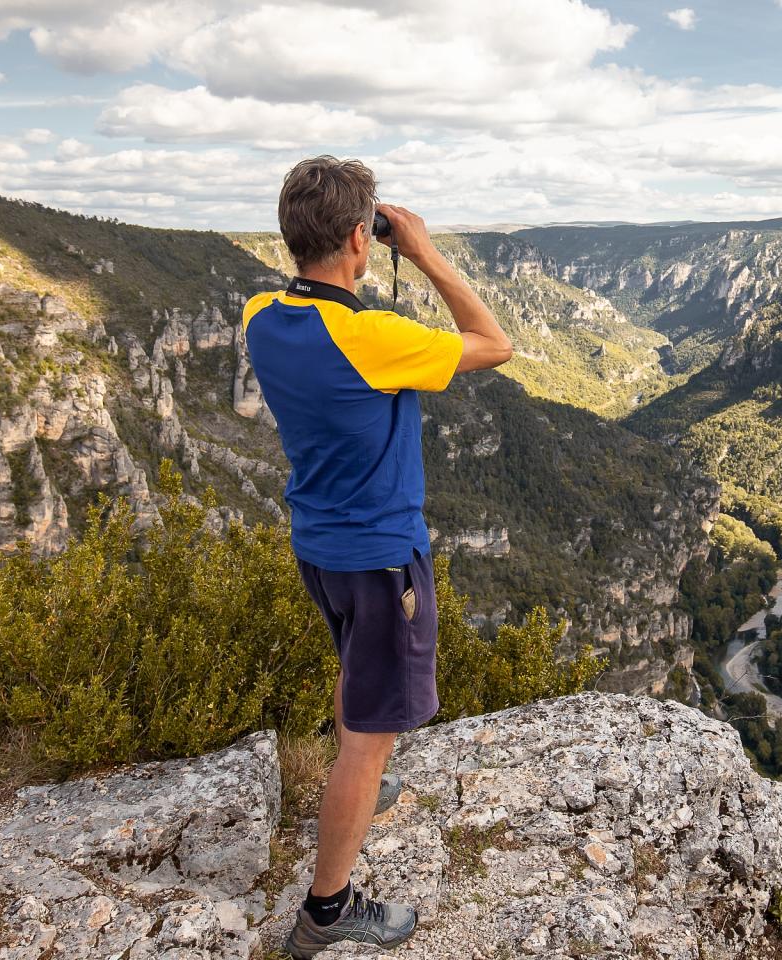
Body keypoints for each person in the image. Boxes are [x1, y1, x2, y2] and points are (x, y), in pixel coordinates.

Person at [242, 156, 513, 957]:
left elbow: (313, 304)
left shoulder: (262, 315)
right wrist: (423, 252)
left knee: (354, 673)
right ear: (363, 238)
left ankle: (357, 783)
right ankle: (327, 909)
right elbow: (494, 344)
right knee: (367, 739)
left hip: (319, 549)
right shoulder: (371, 338)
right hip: (383, 559)